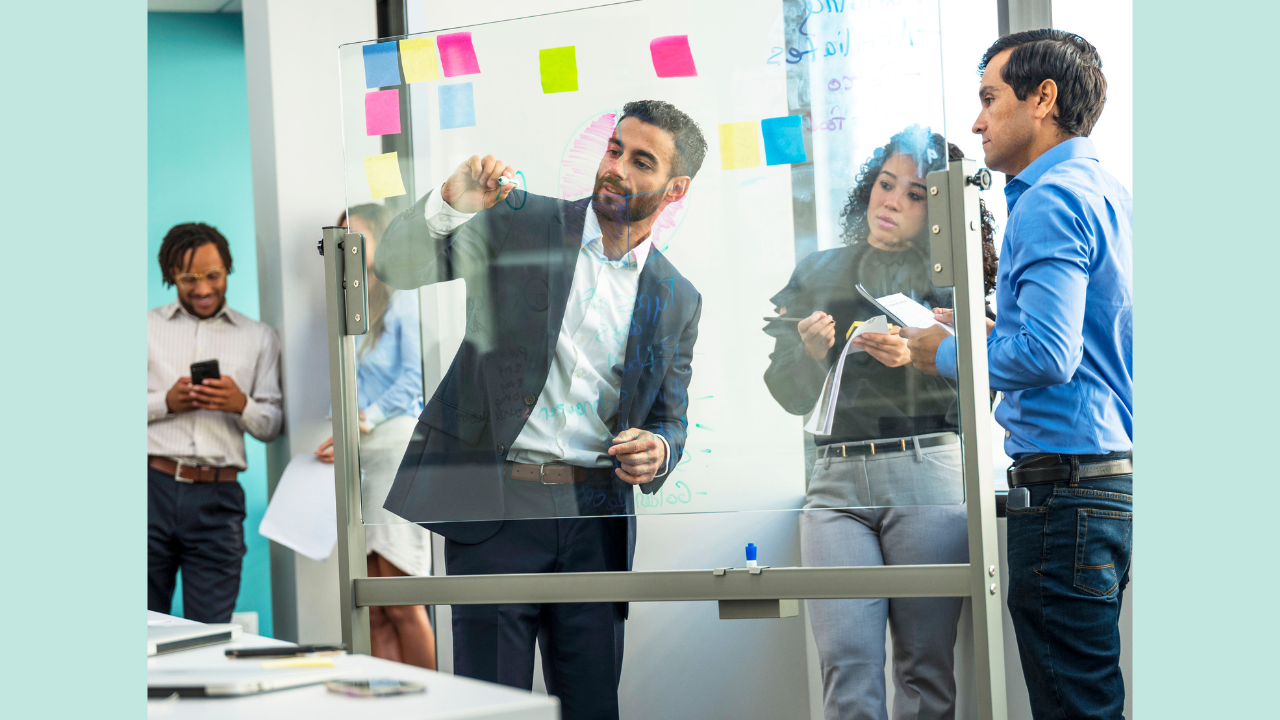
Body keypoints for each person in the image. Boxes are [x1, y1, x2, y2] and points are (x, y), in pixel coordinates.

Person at [372, 99, 705, 720]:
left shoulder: (677, 296)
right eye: (614, 150)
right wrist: (450, 202)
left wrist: (658, 450)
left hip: (597, 520)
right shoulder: (522, 224)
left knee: (591, 706)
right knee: (489, 706)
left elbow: (670, 419)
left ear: (675, 188)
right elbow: (394, 266)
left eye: (641, 162)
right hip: (496, 505)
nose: (617, 170)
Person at [903, 30, 1132, 719]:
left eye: (988, 99)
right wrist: (980, 334)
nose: (976, 121)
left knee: (1074, 708)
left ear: (1043, 99)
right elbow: (1081, 347)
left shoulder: (1049, 199)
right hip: (1105, 485)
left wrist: (940, 353)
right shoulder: (1105, 191)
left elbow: (1046, 356)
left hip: (1067, 497)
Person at [764, 128, 998, 720]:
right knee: (845, 665)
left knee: (925, 669)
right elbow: (788, 396)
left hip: (928, 476)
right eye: (884, 184)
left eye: (916, 194)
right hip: (834, 485)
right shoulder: (819, 270)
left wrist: (924, 357)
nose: (890, 201)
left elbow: (986, 389)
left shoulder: (956, 282)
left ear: (942, 210)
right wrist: (810, 354)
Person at [315, 203, 436, 669]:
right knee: (376, 611)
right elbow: (345, 384)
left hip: (394, 451)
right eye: (338, 240)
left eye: (354, 238)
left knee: (403, 603)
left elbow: (416, 377)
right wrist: (342, 430)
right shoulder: (347, 308)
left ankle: (433, 707)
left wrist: (368, 415)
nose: (343, 249)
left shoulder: (405, 298)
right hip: (360, 457)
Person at [147, 223, 282, 623]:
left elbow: (272, 425)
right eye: (189, 278)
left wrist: (240, 404)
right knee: (138, 625)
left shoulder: (259, 337)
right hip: (149, 491)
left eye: (213, 276)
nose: (203, 289)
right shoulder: (143, 329)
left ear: (228, 270)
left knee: (209, 631)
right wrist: (165, 403)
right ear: (170, 275)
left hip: (218, 501)